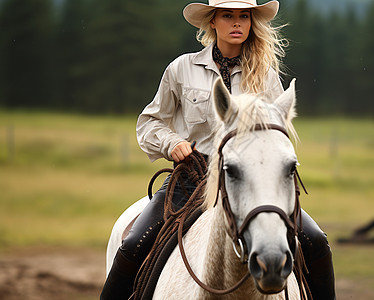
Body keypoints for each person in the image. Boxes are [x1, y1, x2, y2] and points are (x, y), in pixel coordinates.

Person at [100, 1, 335, 299]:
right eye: (228, 16)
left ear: (251, 23)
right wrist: (172, 144)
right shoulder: (181, 68)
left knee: (316, 242)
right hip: (191, 178)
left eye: (243, 16)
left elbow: (277, 139)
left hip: (251, 182)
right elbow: (150, 122)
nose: (236, 23)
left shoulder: (265, 76)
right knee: (133, 244)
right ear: (212, 22)